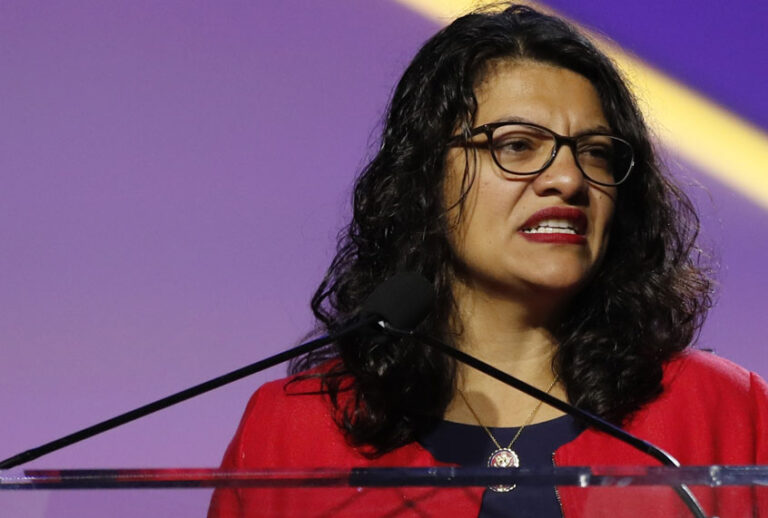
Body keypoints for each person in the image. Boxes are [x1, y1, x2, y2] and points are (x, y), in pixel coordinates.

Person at [209, 4, 768, 517]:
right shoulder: (290, 430)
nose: (569, 180)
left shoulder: (723, 408)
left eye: (595, 152)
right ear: (427, 176)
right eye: (517, 145)